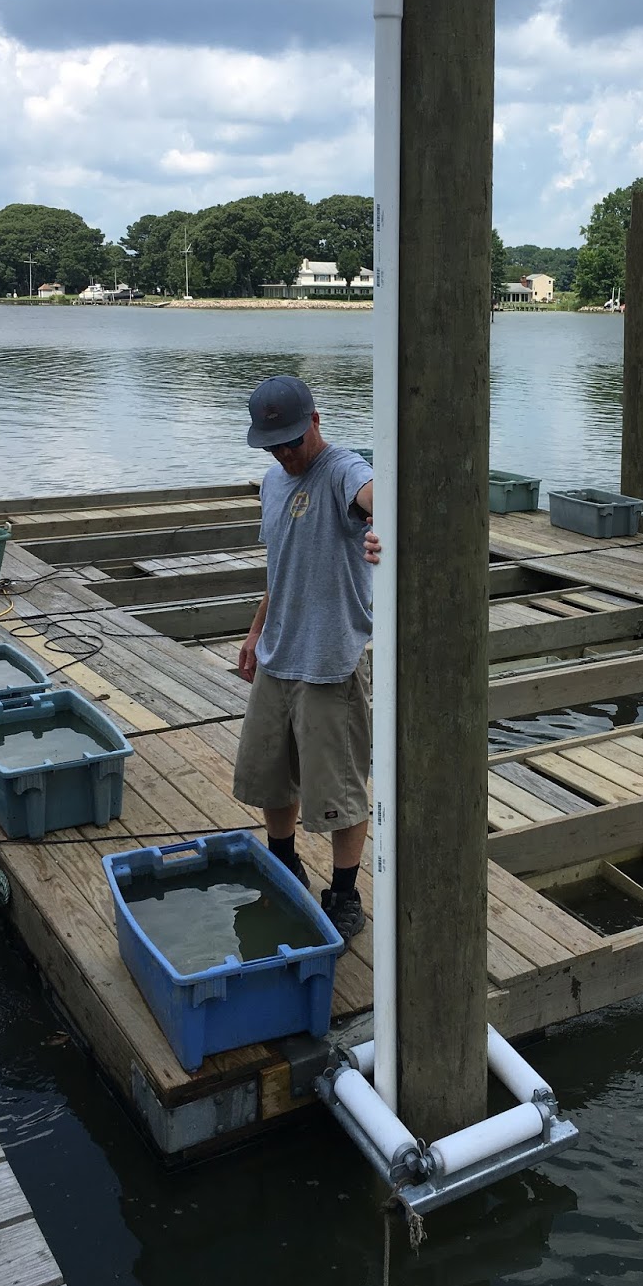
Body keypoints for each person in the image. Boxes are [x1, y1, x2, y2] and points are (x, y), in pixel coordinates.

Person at [233, 374, 379, 946]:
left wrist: (381, 527)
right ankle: (285, 863)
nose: (285, 454)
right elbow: (281, 568)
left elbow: (375, 496)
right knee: (270, 774)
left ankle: (344, 892)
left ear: (315, 422)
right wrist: (254, 632)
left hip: (331, 662)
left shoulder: (343, 468)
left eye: (292, 441)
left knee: (339, 790)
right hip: (277, 656)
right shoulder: (272, 483)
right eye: (274, 445)